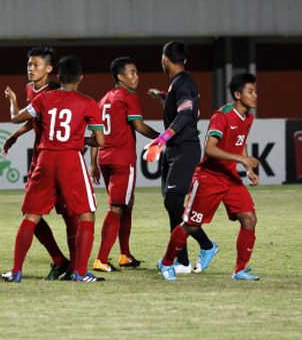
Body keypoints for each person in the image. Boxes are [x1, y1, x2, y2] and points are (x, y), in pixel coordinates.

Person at [2, 56, 105, 283]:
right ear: (80, 78)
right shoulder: (88, 102)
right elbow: (100, 140)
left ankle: (16, 270)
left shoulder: (44, 99)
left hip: (45, 158)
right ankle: (79, 272)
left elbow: (17, 117)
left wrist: (13, 101)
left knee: (32, 215)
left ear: (58, 76)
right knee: (86, 214)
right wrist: (79, 139)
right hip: (70, 159)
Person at [157, 73, 261, 281]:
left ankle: (239, 270)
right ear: (238, 94)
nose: (255, 95)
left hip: (229, 178)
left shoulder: (248, 118)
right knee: (191, 225)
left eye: (255, 91)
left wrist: (247, 165)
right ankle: (166, 262)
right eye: (251, 92)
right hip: (209, 178)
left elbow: (239, 143)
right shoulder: (222, 116)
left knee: (249, 219)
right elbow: (210, 149)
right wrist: (241, 160)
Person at [145, 41, 218, 275]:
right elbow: (181, 103)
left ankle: (205, 247)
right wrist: (162, 96)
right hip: (175, 150)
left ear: (165, 59)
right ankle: (183, 260)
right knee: (171, 203)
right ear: (183, 60)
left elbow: (186, 113)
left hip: (184, 149)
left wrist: (163, 138)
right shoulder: (180, 83)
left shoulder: (183, 83)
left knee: (175, 204)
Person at [2, 47, 73, 281]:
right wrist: (15, 135)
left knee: (68, 214)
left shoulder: (54, 91)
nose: (31, 69)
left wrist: (13, 109)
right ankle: (60, 260)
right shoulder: (30, 89)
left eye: (36, 65)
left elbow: (23, 116)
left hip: (58, 157)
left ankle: (73, 264)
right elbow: (32, 120)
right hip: (41, 158)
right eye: (29, 65)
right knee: (31, 212)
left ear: (49, 69)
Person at [89, 57, 158, 273]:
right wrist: (163, 137)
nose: (136, 77)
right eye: (132, 72)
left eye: (136, 72)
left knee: (126, 204)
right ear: (120, 77)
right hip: (121, 159)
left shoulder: (103, 100)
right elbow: (139, 126)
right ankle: (101, 259)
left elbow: (96, 132)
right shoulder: (129, 96)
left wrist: (93, 164)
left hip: (105, 158)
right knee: (117, 207)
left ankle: (125, 255)